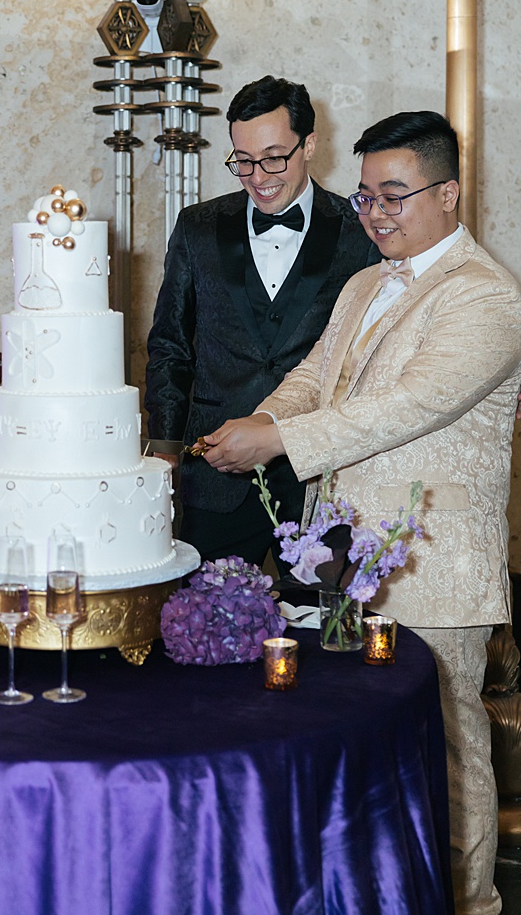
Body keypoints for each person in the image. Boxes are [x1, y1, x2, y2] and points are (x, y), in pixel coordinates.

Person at [199, 110, 521, 915]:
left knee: (450, 755)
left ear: (448, 194)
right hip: (344, 559)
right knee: (366, 751)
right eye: (364, 196)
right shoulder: (365, 282)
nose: (375, 213)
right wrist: (257, 423)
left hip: (434, 564)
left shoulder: (489, 299)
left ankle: (470, 902)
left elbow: (408, 407)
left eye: (394, 195)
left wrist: (274, 442)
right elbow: (314, 378)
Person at [144, 75, 378, 568]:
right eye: (243, 161)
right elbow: (170, 344)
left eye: (274, 157)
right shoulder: (197, 226)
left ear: (309, 144)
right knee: (206, 629)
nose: (258, 176)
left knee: (322, 628)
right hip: (213, 476)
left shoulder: (360, 234)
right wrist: (164, 446)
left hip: (316, 478)